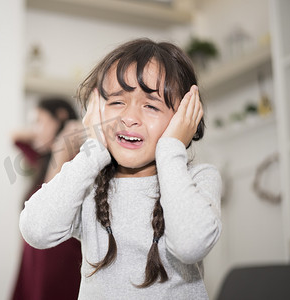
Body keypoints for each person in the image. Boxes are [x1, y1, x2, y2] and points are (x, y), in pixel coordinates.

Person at [19, 38, 222, 299]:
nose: (129, 118)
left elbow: (190, 244)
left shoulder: (198, 180)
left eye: (151, 105)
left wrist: (172, 148)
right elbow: (36, 229)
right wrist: (92, 149)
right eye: (116, 102)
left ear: (184, 118)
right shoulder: (89, 187)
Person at [11, 98, 83, 300]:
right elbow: (15, 137)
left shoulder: (76, 159)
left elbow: (48, 208)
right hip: (34, 261)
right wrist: (46, 133)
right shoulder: (44, 157)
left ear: (60, 117)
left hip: (58, 262)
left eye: (39, 121)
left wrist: (62, 145)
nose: (35, 129)